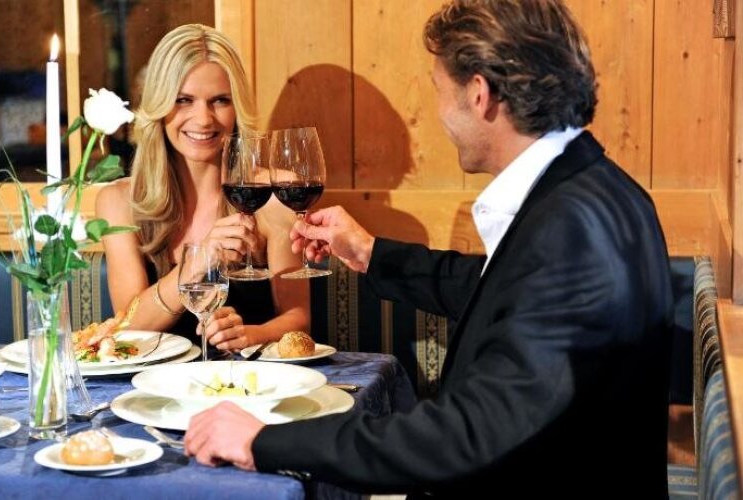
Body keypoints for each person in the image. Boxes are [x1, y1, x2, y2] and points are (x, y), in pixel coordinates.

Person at [183, 1, 674, 496]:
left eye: (439, 91)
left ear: (479, 94)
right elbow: (495, 290)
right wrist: (371, 253)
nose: (440, 114)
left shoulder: (570, 227)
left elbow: (470, 434)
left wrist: (266, 442)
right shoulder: (598, 189)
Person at [96, 24, 308, 351]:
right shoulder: (119, 201)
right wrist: (198, 262)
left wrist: (249, 335)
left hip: (252, 376)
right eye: (183, 100)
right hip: (155, 381)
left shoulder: (274, 194)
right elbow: (128, 327)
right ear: (160, 106)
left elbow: (298, 318)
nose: (204, 119)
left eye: (220, 100)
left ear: (237, 108)